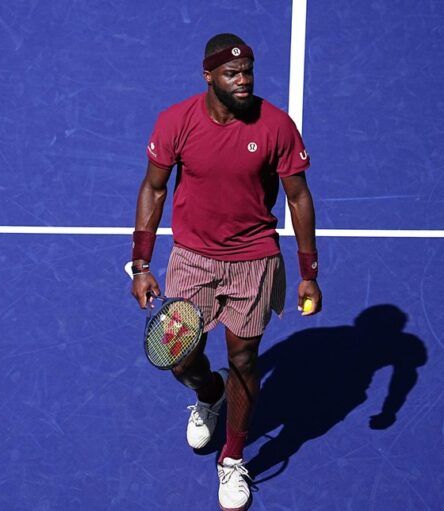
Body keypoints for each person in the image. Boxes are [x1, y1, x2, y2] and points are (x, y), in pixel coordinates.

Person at [130, 33, 321, 511]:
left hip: (254, 259)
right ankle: (210, 392)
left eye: (248, 72)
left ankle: (232, 457)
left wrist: (308, 272)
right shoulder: (176, 121)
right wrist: (142, 263)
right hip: (192, 256)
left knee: (245, 360)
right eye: (232, 73)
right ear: (208, 76)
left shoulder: (276, 125)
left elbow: (298, 197)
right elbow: (154, 189)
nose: (243, 80)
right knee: (180, 358)